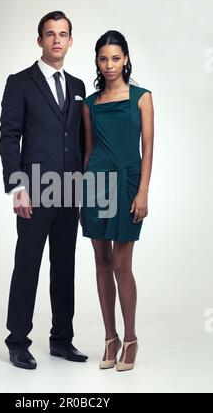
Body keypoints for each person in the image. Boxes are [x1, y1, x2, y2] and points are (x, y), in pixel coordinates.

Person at [0, 11, 88, 369]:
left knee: (64, 266)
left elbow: (81, 138)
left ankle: (61, 339)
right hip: (34, 191)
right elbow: (9, 136)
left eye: (62, 34)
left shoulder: (80, 87)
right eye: (49, 34)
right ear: (40, 40)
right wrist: (18, 186)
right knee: (28, 265)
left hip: (70, 190)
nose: (56, 40)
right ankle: (18, 340)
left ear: (70, 41)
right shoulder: (20, 82)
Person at [80, 30, 154, 371]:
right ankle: (109, 338)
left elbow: (148, 149)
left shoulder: (142, 97)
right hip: (95, 182)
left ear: (125, 59)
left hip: (127, 185)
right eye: (103, 58)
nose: (109, 64)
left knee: (123, 265)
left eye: (115, 57)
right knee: (101, 262)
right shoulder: (90, 104)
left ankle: (131, 338)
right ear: (97, 61)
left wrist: (143, 191)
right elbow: (89, 150)